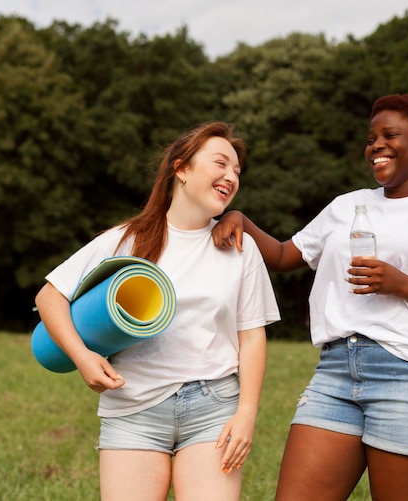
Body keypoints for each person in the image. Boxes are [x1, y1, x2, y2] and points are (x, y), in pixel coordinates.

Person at [212, 94, 408, 501]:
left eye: (390, 135)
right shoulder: (347, 205)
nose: (376, 145)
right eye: (371, 139)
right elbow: (283, 255)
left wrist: (401, 284)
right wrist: (240, 219)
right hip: (336, 373)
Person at [35, 121, 280, 501]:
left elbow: (251, 336)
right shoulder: (126, 238)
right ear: (181, 169)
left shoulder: (239, 248)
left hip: (212, 409)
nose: (231, 176)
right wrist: (82, 357)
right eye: (220, 164)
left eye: (236, 171)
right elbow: (49, 297)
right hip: (132, 408)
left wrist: (246, 413)